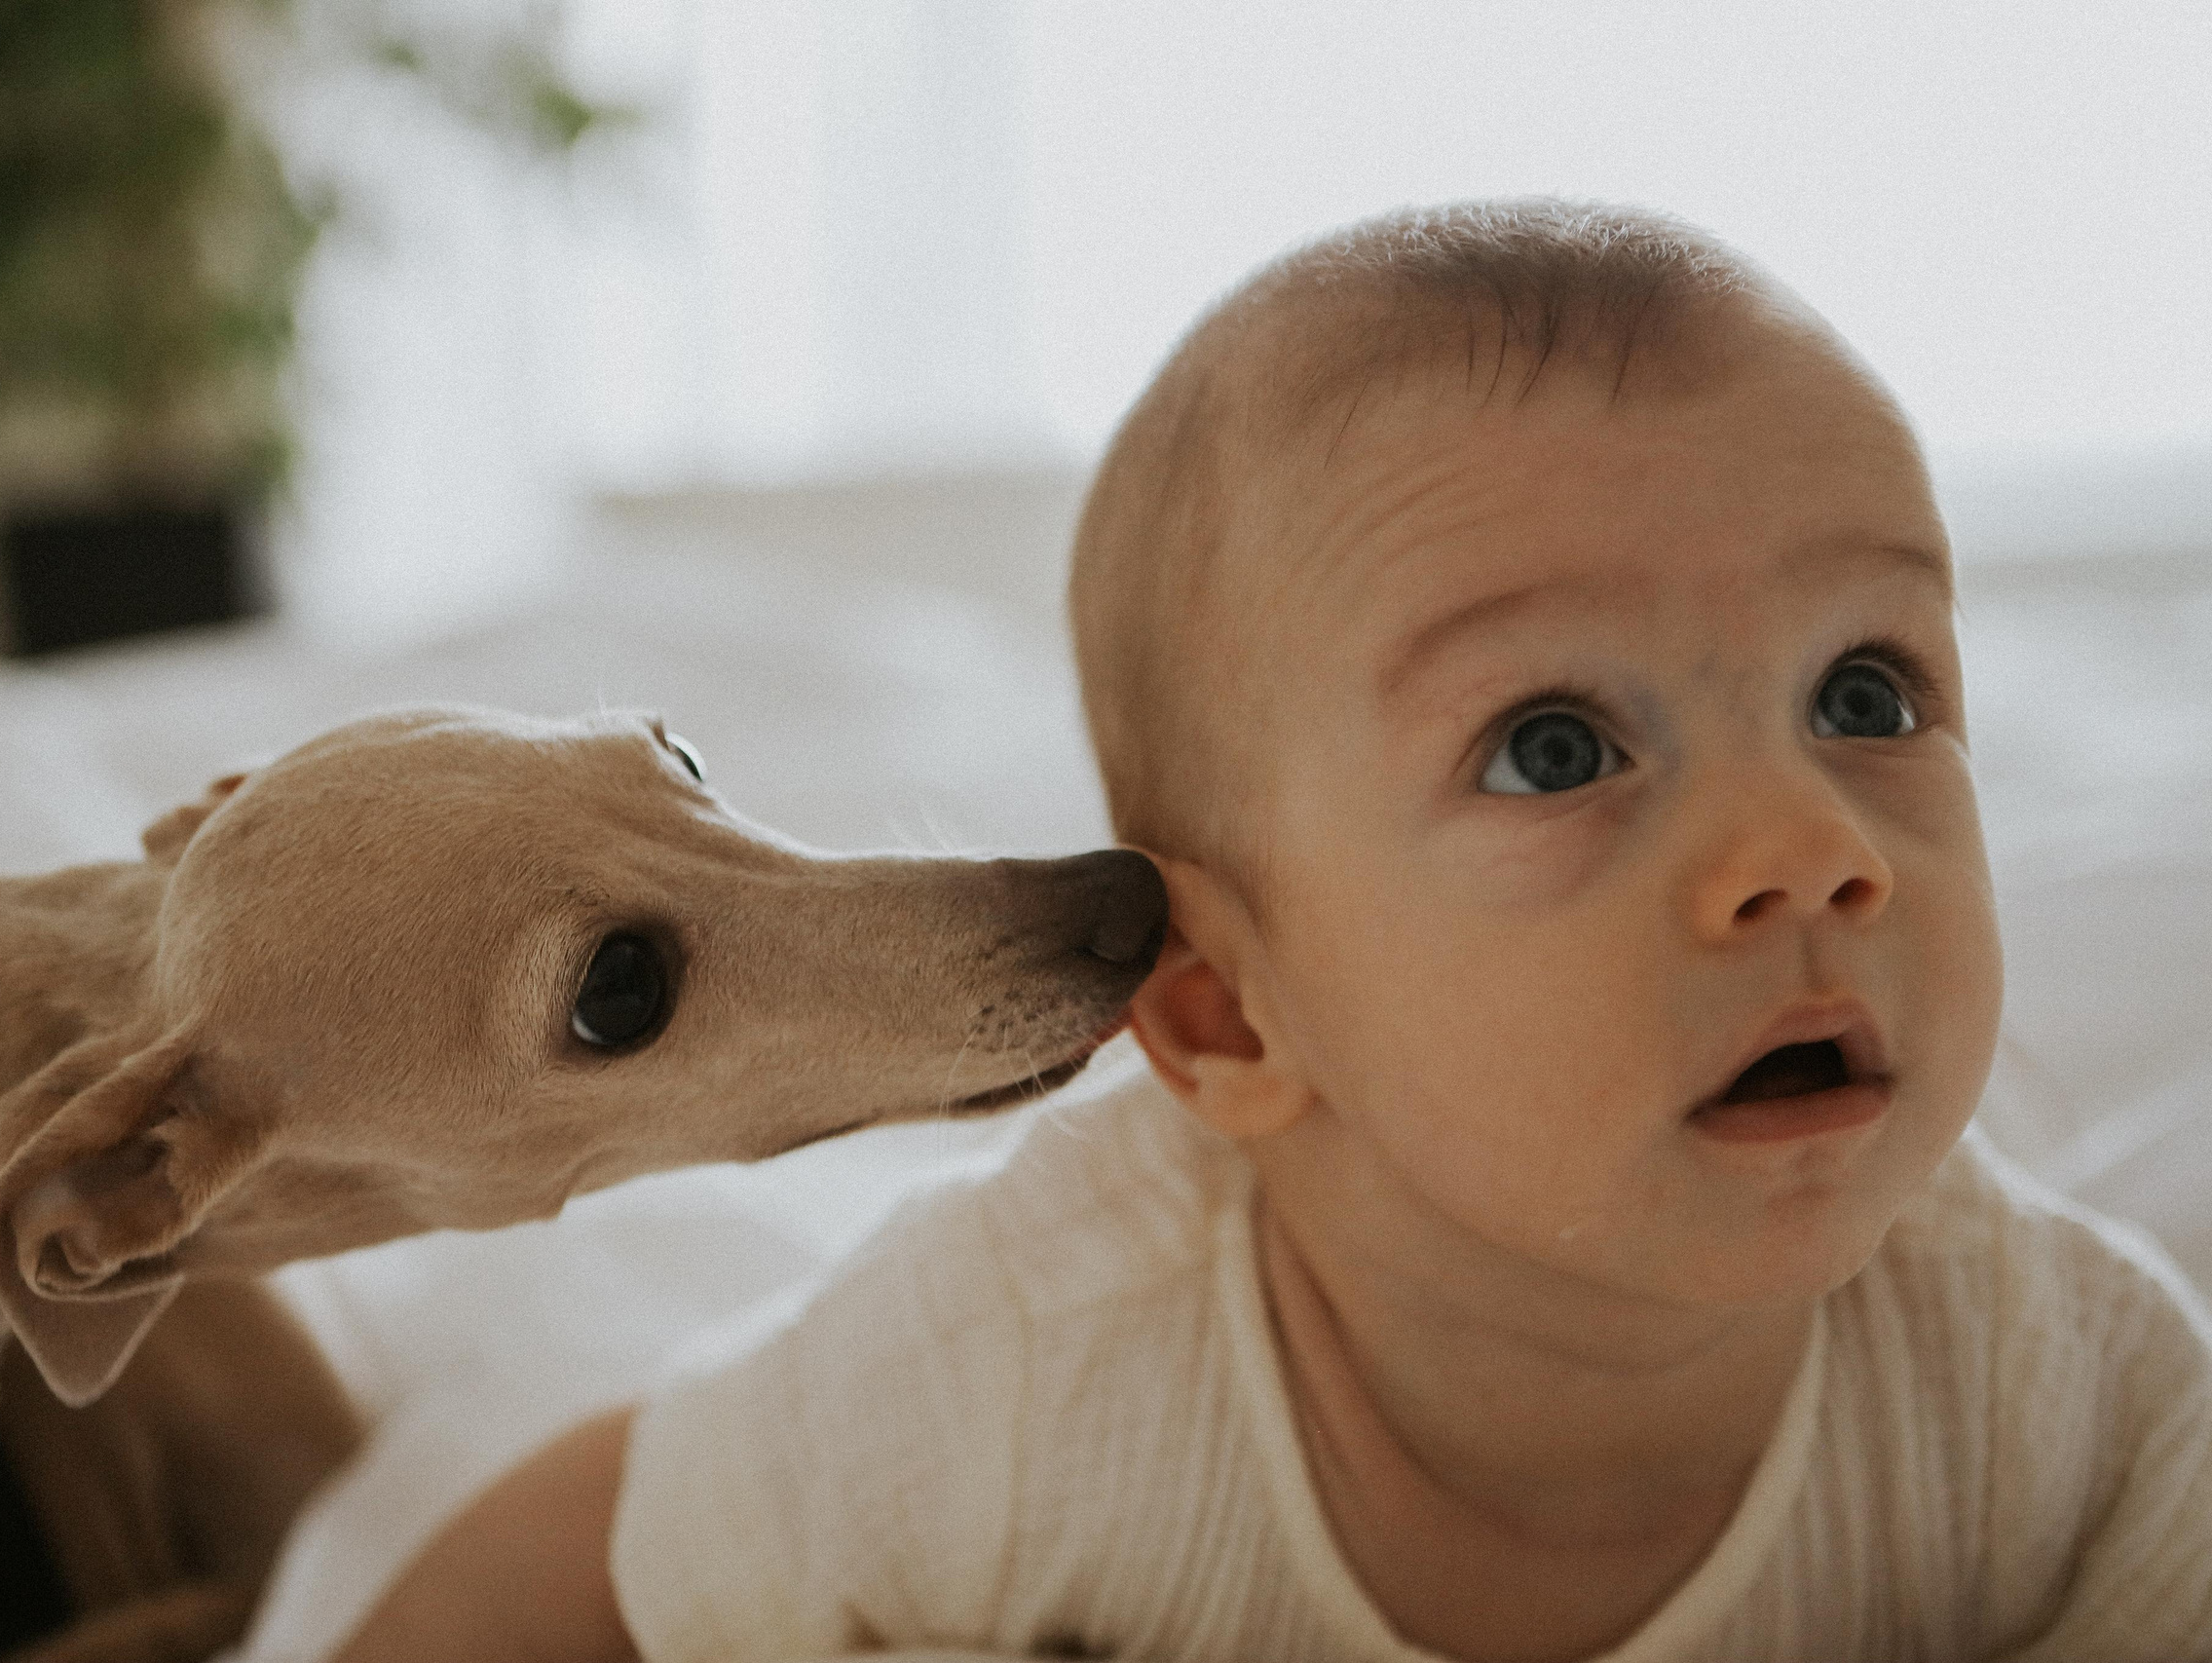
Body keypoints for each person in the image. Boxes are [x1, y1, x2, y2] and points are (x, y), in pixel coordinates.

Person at [335, 199, 2212, 1662]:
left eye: (1869, 697)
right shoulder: (1020, 1369)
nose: (1809, 848)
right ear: (1224, 1019)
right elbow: (599, 1554)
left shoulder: (2071, 1402)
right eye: (1555, 746)